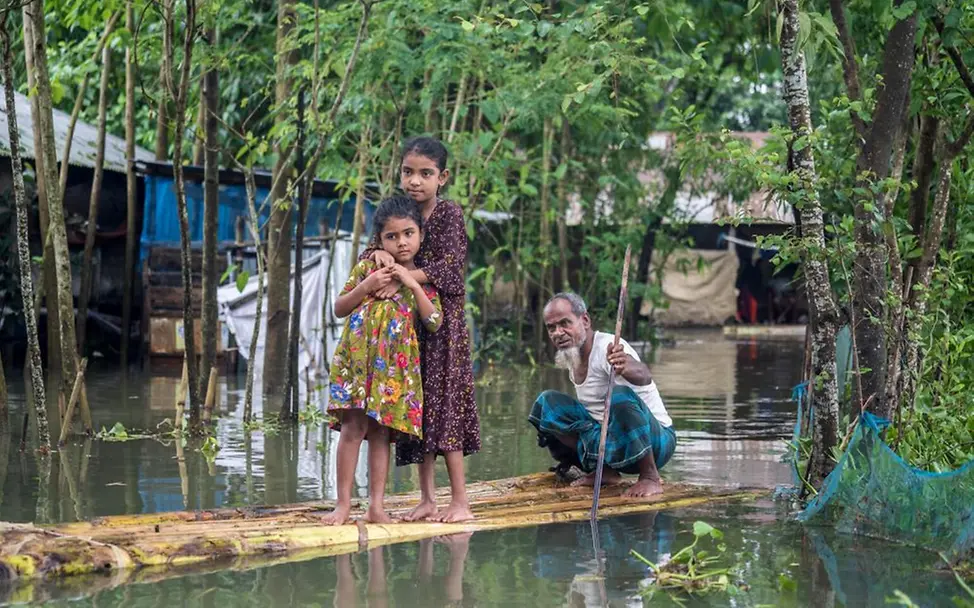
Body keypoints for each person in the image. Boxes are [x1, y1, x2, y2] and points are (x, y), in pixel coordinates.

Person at [362, 136, 480, 523]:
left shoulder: (448, 215)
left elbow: (451, 269)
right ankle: (427, 497)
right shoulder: (401, 214)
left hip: (444, 332)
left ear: (442, 177)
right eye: (408, 172)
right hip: (408, 335)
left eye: (425, 174)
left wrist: (403, 277)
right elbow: (373, 249)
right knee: (421, 413)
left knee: (446, 411)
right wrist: (377, 254)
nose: (415, 181)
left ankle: (459, 499)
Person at [321, 196, 443, 525]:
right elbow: (340, 307)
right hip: (357, 366)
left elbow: (434, 322)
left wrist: (409, 282)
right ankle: (343, 504)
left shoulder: (419, 279)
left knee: (379, 435)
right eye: (392, 236)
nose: (401, 242)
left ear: (420, 235)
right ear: (380, 240)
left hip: (391, 372)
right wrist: (367, 285)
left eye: (408, 233)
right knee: (352, 429)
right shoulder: (367, 268)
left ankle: (376, 505)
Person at [531, 292, 676, 497]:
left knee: (619, 396)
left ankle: (650, 477)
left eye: (565, 323)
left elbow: (644, 375)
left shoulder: (608, 347)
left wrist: (625, 365)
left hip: (655, 443)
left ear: (585, 321)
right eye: (551, 327)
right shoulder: (573, 355)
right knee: (546, 403)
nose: (558, 333)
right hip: (613, 444)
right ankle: (603, 471)